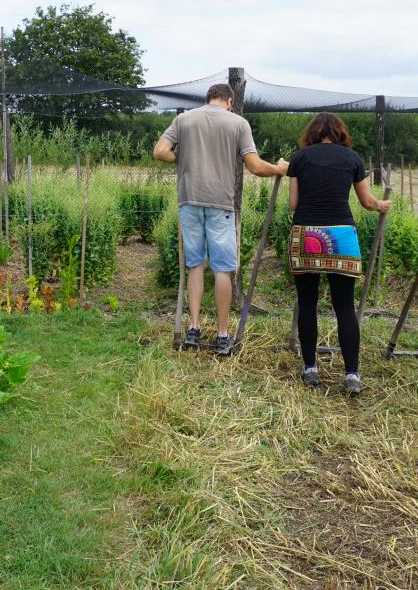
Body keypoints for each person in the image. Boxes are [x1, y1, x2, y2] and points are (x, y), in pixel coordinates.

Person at [153, 83, 288, 355]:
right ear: (229, 100)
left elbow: (159, 152)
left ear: (207, 98)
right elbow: (254, 165)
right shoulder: (238, 123)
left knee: (194, 264)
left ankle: (193, 327)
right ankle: (223, 334)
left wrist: (184, 158)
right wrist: (279, 169)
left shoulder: (183, 119)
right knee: (223, 268)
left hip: (189, 200)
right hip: (220, 202)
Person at [287, 113, 389, 394]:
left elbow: (293, 204)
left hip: (307, 234)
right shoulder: (352, 159)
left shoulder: (300, 158)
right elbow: (367, 202)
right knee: (344, 307)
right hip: (342, 236)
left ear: (313, 133)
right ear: (339, 133)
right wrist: (382, 205)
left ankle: (310, 369)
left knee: (307, 303)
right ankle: (352, 374)